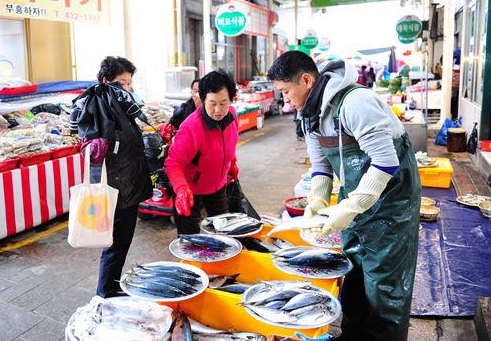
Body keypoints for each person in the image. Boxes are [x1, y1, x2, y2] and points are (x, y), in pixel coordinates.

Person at [267, 51, 421, 341]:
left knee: (384, 283)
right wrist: (319, 200)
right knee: (354, 271)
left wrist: (352, 206)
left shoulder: (356, 103)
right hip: (357, 194)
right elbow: (322, 167)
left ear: (306, 80)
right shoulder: (309, 113)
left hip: (392, 202)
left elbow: (386, 161)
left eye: (286, 92)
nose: (284, 100)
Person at [71, 56, 152, 298]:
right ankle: (106, 292)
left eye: (129, 83)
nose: (127, 88)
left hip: (126, 183)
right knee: (116, 245)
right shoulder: (103, 106)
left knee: (119, 244)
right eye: (122, 82)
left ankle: (110, 287)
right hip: (118, 188)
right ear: (106, 81)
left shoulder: (117, 104)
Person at [165, 70, 240, 234]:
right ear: (203, 99)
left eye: (223, 103)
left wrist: (231, 163)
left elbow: (227, 145)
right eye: (212, 103)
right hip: (190, 190)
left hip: (218, 185)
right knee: (189, 239)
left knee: (224, 233)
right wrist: (181, 188)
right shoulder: (191, 127)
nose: (218, 110)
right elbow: (173, 163)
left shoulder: (233, 116)